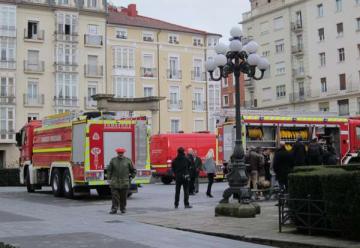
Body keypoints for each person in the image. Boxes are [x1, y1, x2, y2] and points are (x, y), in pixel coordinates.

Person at [107, 147, 136, 214]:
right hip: (114, 182)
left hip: (124, 182)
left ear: (123, 153)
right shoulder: (113, 160)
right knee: (115, 197)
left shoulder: (128, 160)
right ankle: (114, 209)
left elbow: (133, 170)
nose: (120, 154)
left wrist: (131, 177)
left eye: (121, 153)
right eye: (119, 153)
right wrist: (109, 178)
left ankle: (123, 208)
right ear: (117, 153)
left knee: (123, 197)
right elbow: (109, 170)